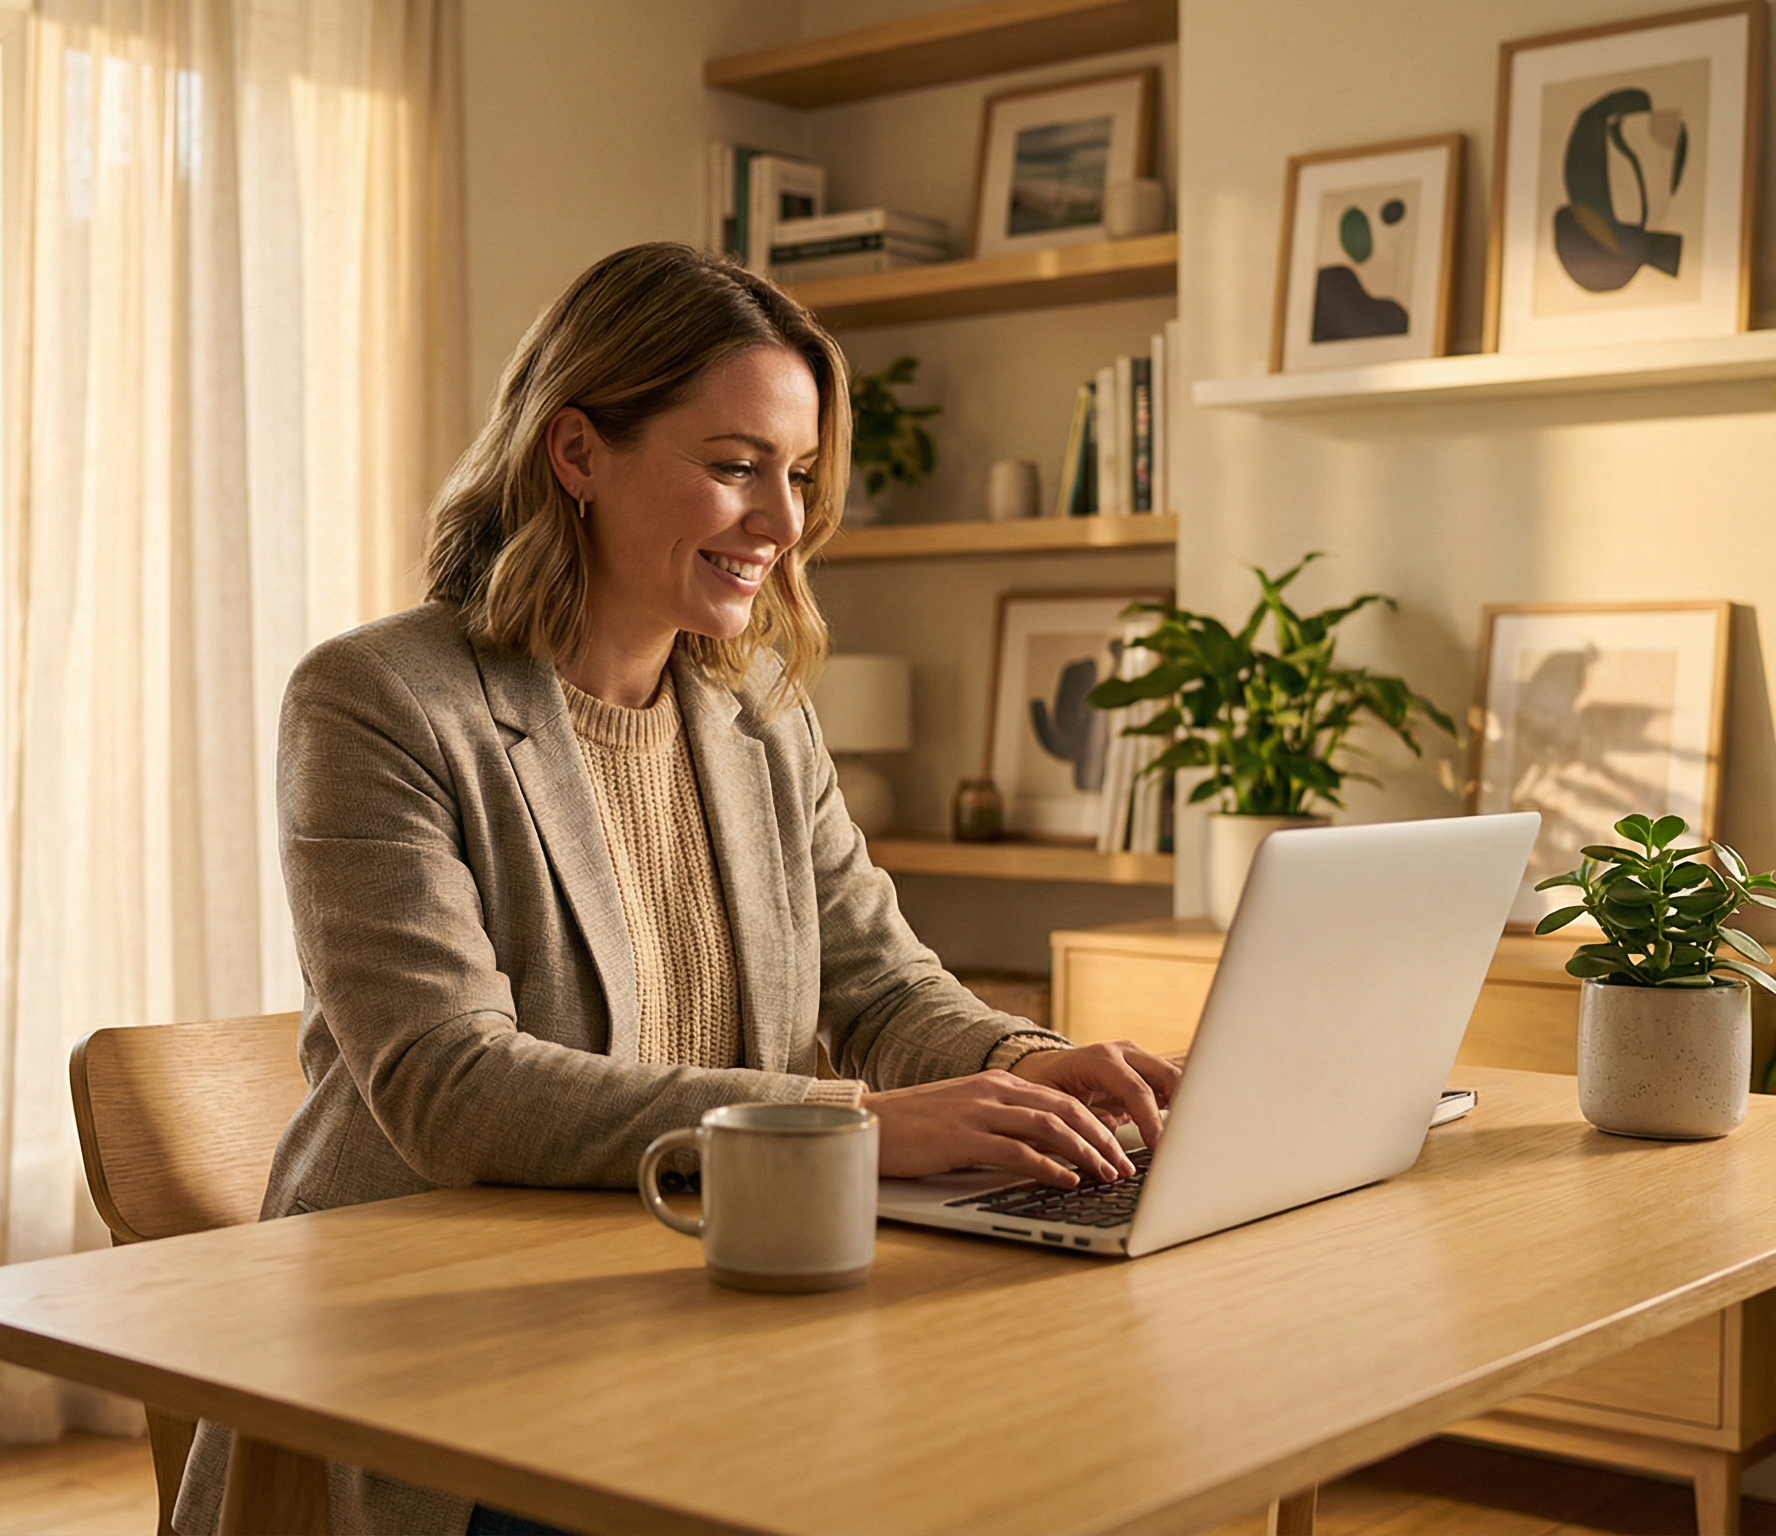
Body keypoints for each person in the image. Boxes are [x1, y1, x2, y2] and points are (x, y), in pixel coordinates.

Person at [174, 242, 1181, 1536]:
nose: (784, 522)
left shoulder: (757, 706)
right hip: (449, 1361)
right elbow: (448, 1086)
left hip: (702, 1301)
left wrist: (1030, 1065)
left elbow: (877, 980)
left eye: (801, 474)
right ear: (577, 452)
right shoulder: (378, 700)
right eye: (734, 466)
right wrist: (858, 1123)